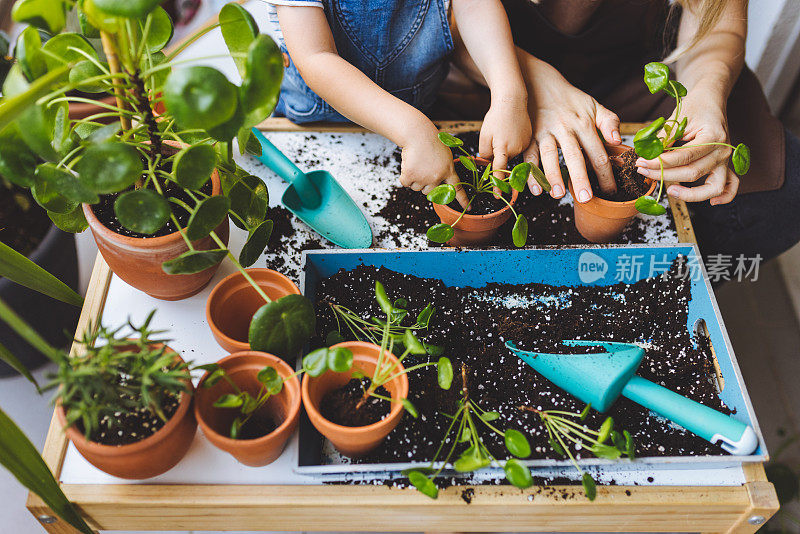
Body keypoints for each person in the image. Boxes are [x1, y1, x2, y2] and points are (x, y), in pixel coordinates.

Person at [454, 0, 800, 262]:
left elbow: (716, 22)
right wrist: (524, 86)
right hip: (485, 75)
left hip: (628, 71)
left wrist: (708, 90)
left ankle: (661, 279)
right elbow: (429, 21)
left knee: (779, 196)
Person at [266, 0, 531, 208]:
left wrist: (510, 96)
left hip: (422, 115)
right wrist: (413, 131)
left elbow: (474, 6)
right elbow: (315, 56)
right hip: (319, 125)